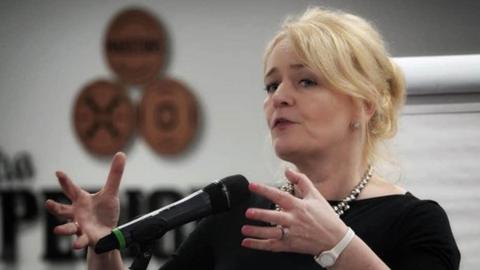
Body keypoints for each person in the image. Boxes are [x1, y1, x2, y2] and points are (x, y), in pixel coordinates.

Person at [45, 7, 460, 269]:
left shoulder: (416, 222)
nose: (279, 97)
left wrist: (338, 245)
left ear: (364, 103)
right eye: (271, 85)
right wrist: (103, 248)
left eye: (306, 80)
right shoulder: (238, 214)